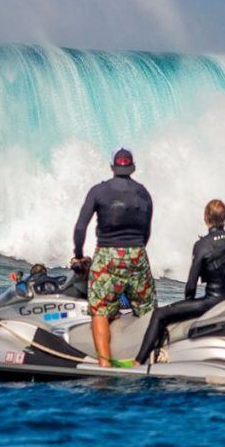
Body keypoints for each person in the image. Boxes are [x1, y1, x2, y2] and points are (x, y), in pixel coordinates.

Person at [134, 199, 225, 365]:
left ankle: (139, 361)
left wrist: (188, 304)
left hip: (211, 303)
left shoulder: (202, 245)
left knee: (159, 314)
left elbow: (191, 284)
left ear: (205, 219)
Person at [71, 147, 156, 368]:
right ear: (132, 167)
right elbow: (147, 230)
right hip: (137, 253)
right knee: (147, 309)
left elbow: (81, 228)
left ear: (112, 167)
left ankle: (104, 364)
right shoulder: (143, 193)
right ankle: (149, 359)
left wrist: (79, 256)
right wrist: (134, 251)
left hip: (107, 254)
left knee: (100, 309)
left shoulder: (99, 191)